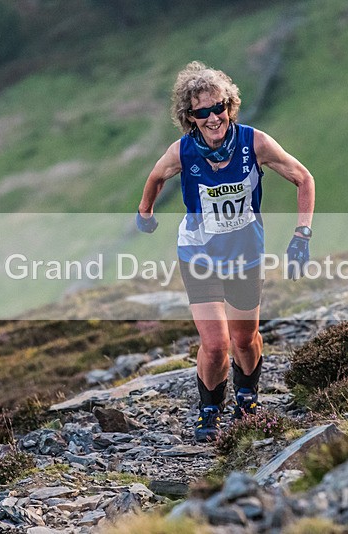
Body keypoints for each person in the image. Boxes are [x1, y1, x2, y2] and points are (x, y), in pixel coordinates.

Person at [135, 61, 315, 442]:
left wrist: (302, 234)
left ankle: (247, 398)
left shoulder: (255, 143)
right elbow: (155, 177)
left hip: (245, 256)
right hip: (198, 255)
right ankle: (210, 411)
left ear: (230, 107)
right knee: (216, 345)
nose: (213, 117)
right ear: (190, 118)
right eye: (203, 112)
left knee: (244, 340)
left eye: (219, 108)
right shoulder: (182, 152)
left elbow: (304, 178)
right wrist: (145, 212)